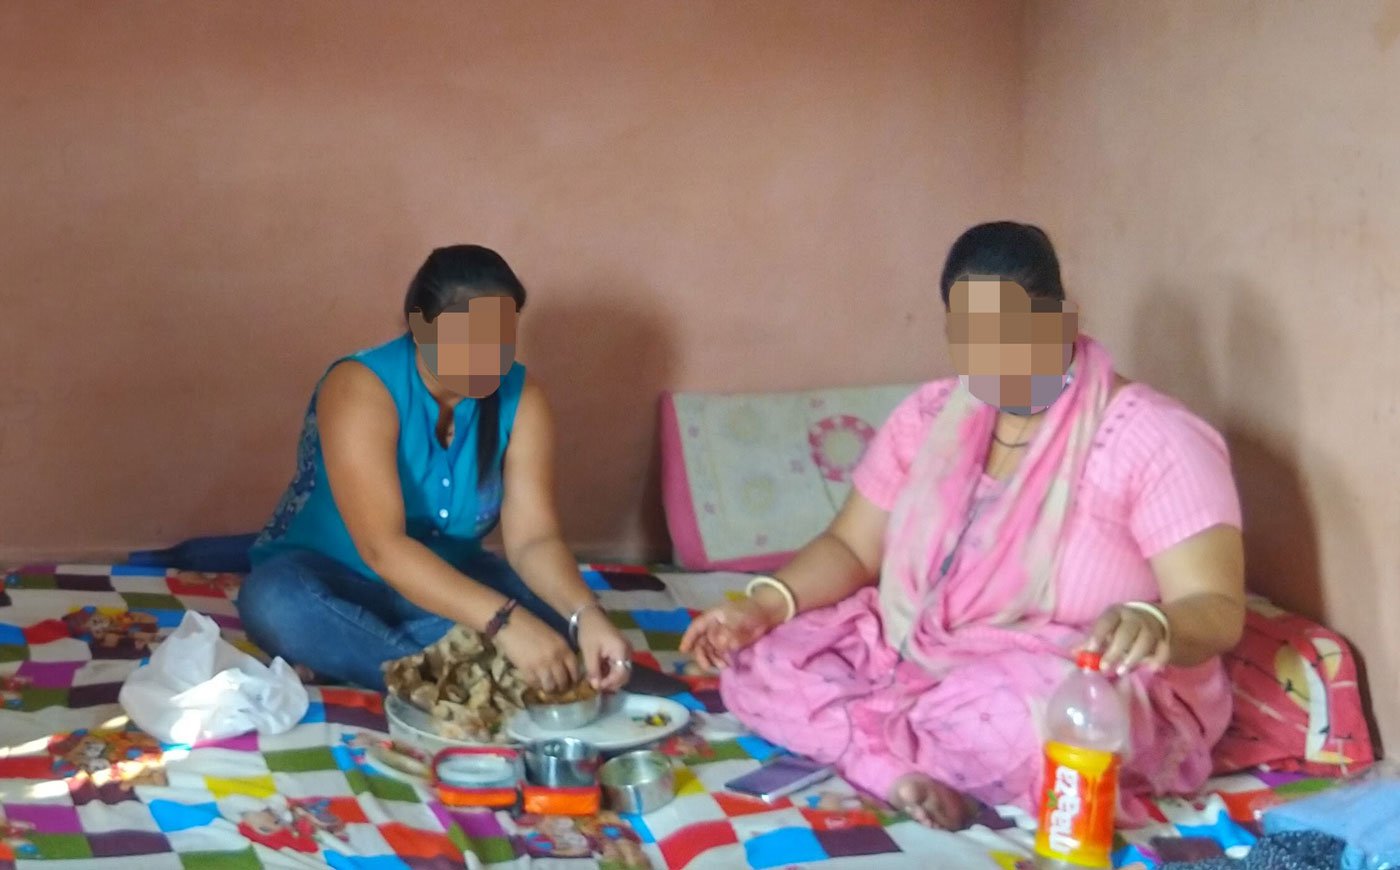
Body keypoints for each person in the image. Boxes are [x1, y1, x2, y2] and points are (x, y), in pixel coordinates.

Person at [680, 222, 1245, 829]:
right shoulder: (931, 416)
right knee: (762, 659)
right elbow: (852, 545)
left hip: (1060, 670)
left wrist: (1153, 621)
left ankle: (878, 750)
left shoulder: (1152, 437)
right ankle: (903, 774)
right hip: (912, 645)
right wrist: (764, 606)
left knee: (1034, 720)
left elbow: (1215, 607)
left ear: (1061, 318)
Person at [238, 245, 632, 694]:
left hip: (454, 586)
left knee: (559, 629)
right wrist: (504, 623)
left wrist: (586, 615)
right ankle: (460, 675)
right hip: (339, 580)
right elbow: (382, 549)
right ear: (420, 328)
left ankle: (394, 667)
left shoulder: (522, 398)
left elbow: (533, 541)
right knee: (275, 604)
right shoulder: (361, 386)